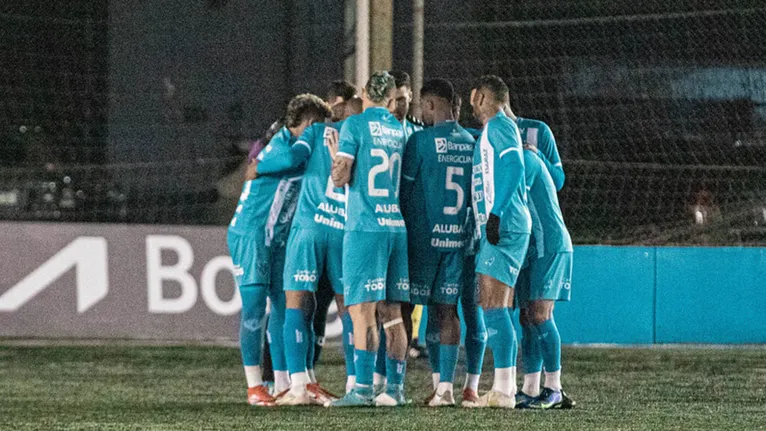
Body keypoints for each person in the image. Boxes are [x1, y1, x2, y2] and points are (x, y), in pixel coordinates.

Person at [227, 93, 331, 406]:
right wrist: (257, 165)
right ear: (310, 124)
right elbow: (287, 161)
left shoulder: (297, 149)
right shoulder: (283, 147)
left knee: (287, 307)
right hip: (252, 235)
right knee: (255, 309)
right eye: (319, 127)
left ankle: (284, 382)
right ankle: (254, 386)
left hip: (278, 237)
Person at [329, 71, 410, 407]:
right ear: (391, 97)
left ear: (364, 93)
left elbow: (340, 177)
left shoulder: (355, 125)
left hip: (365, 227)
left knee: (361, 311)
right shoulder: (399, 129)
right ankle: (395, 390)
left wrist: (336, 160)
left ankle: (362, 390)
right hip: (396, 227)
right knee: (392, 313)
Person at [400, 78, 475, 406]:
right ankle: (444, 389)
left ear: (430, 105)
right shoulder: (474, 142)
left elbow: (403, 193)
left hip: (422, 241)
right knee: (447, 312)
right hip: (457, 240)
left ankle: (394, 387)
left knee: (404, 309)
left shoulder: (419, 142)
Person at [469, 75, 531, 408]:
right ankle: (504, 386)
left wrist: (496, 213)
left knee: (492, 305)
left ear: (478, 97)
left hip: (504, 225)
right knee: (497, 307)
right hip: (506, 224)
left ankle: (504, 390)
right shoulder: (494, 130)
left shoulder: (499, 125)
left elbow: (514, 166)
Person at [514, 144, 575, 409]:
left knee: (540, 314)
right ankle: (529, 387)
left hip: (548, 245)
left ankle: (554, 388)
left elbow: (513, 203)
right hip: (532, 247)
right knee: (527, 317)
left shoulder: (524, 160)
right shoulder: (518, 158)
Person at [502, 100, 565, 191]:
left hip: (534, 203)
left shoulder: (538, 129)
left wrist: (537, 155)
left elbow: (558, 181)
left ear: (503, 106)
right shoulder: (481, 137)